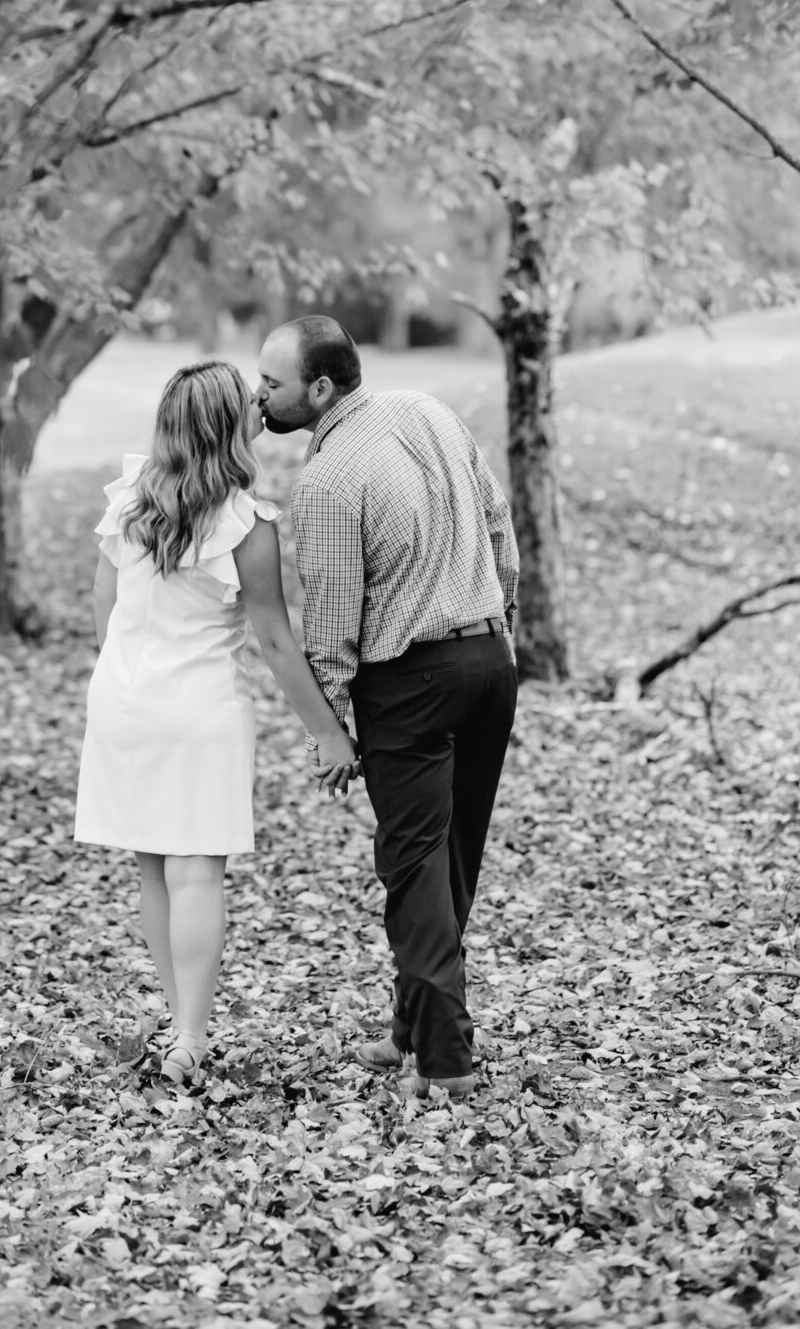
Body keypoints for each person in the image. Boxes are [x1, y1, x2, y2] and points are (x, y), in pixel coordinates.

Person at [73, 358, 358, 1088]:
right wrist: (328, 730)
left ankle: (178, 1023)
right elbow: (271, 639)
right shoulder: (245, 523)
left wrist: (128, 678)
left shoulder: (130, 498)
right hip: (197, 709)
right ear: (231, 428)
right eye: (249, 405)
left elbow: (104, 609)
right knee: (196, 872)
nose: (260, 407)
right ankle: (191, 1037)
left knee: (152, 871)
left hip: (123, 701)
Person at [255, 315, 519, 1100]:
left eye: (273, 383)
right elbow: (499, 524)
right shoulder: (429, 412)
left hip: (409, 682)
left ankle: (446, 1061)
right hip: (488, 661)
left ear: (322, 388)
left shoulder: (330, 480)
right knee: (453, 861)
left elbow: (333, 619)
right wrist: (503, 628)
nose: (259, 394)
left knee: (414, 869)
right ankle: (412, 1026)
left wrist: (330, 723)